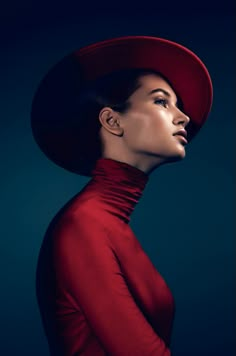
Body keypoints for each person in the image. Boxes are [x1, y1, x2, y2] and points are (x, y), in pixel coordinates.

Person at [31, 36, 213, 356]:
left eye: (177, 105)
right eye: (161, 101)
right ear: (113, 121)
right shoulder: (83, 225)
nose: (182, 116)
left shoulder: (107, 222)